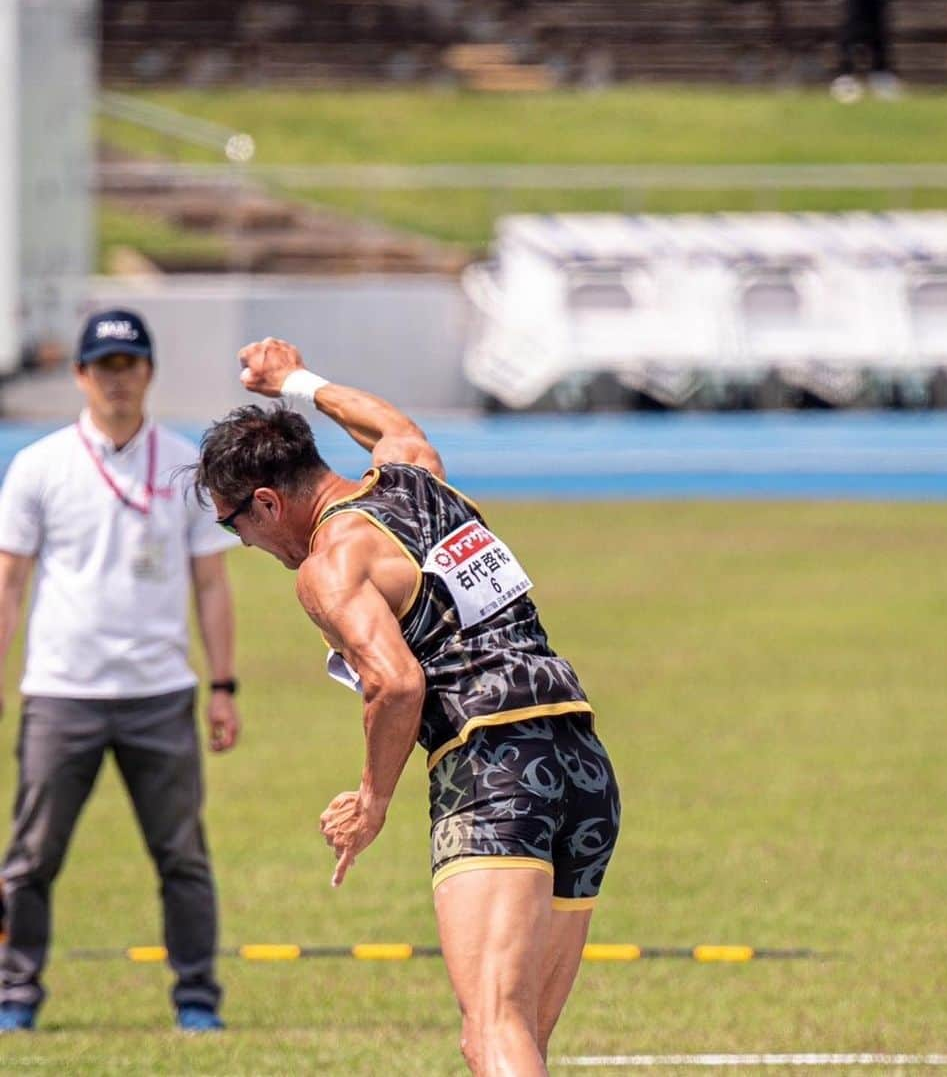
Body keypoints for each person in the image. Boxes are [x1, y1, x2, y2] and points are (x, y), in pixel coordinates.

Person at [194, 338, 620, 1077]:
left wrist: (372, 799)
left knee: (493, 1030)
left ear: (267, 502)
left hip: (494, 769)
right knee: (508, 1036)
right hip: (581, 761)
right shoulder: (419, 478)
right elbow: (391, 425)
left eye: (234, 524)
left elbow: (396, 684)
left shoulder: (331, 565)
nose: (244, 541)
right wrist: (296, 379)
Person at [0, 309, 239, 1034]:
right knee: (31, 858)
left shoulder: (184, 462)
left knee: (182, 857)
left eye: (129, 365)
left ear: (149, 373)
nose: (117, 380)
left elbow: (211, 583)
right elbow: (9, 581)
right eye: (104, 366)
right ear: (80, 375)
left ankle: (196, 998)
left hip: (159, 694)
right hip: (61, 692)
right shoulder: (39, 465)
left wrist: (223, 684)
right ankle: (16, 995)